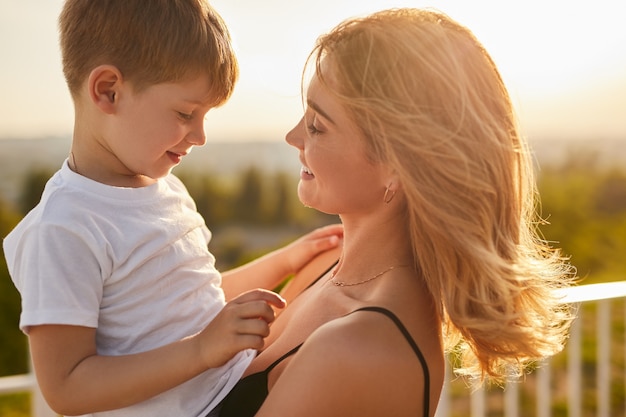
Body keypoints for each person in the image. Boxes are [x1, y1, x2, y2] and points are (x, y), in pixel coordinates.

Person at [216, 8, 576, 417]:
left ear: (396, 166)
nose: (293, 136)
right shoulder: (323, 261)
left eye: (317, 125)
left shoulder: (361, 346)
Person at [2, 1, 342, 416]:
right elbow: (67, 387)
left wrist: (284, 260)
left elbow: (194, 299)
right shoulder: (62, 228)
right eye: (185, 113)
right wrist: (201, 350)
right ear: (108, 90)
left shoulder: (166, 189)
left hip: (228, 388)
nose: (199, 135)